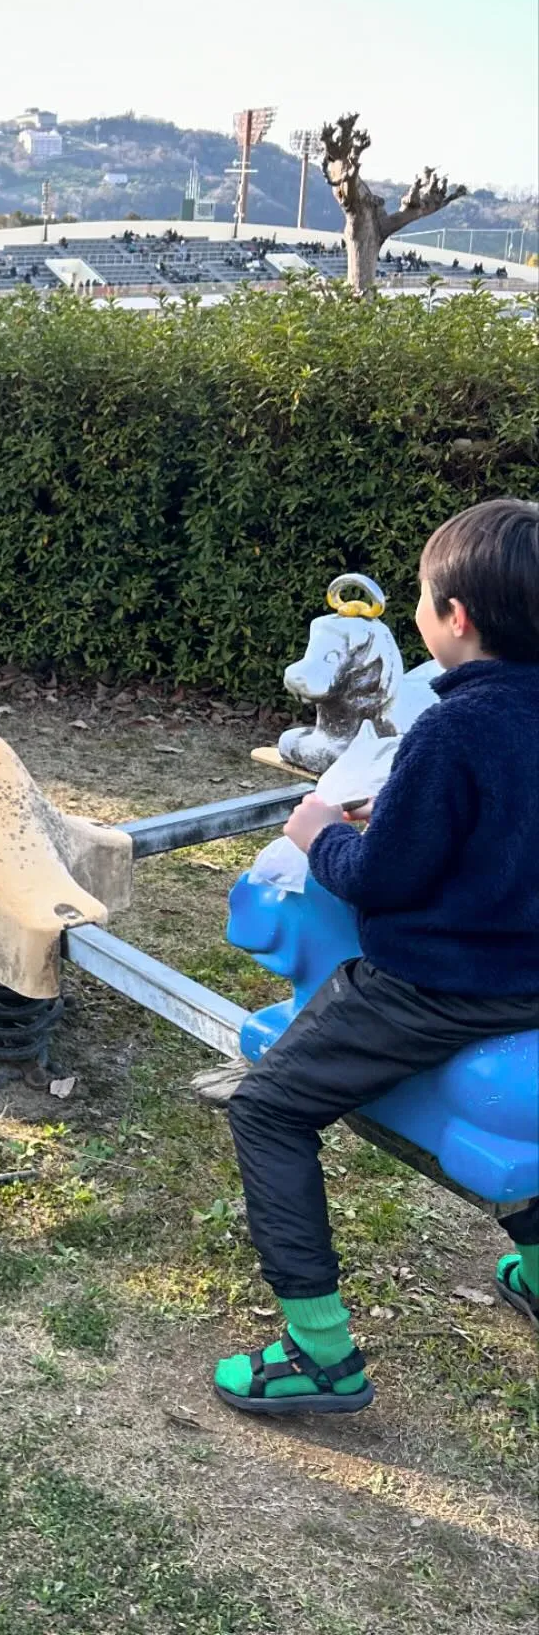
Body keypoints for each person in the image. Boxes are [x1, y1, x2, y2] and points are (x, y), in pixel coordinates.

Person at [214, 498, 539, 1416]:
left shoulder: (452, 727)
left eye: (426, 603)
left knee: (270, 1109)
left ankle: (319, 1353)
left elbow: (381, 881)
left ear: (456, 619)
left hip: (435, 988)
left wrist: (320, 832)